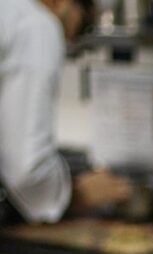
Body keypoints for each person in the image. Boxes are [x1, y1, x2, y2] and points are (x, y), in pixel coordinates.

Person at [0, 0, 132, 226]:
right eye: (84, 24)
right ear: (62, 2)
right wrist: (77, 195)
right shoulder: (36, 26)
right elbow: (27, 169)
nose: (72, 41)